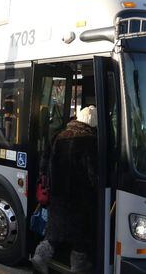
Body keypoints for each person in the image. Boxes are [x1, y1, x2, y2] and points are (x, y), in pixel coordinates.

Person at [32, 105, 98, 274]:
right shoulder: (89, 141)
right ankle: (79, 268)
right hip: (81, 199)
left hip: (57, 196)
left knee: (54, 233)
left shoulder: (58, 136)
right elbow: (93, 173)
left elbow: (44, 164)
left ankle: (40, 256)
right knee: (81, 238)